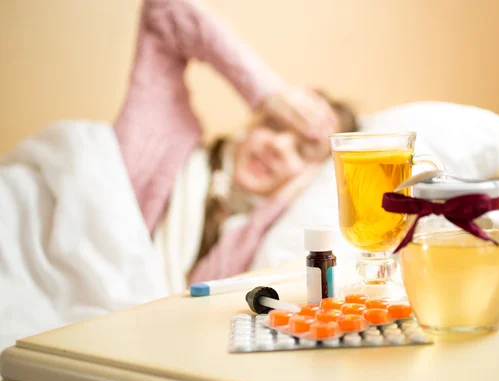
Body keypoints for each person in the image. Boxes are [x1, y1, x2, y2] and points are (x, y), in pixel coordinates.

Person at [114, 0, 357, 291]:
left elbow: (200, 297)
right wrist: (268, 92)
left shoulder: (257, 235)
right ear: (252, 123)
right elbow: (164, 10)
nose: (278, 146)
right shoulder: (165, 143)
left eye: (302, 151)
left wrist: (276, 205)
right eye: (274, 124)